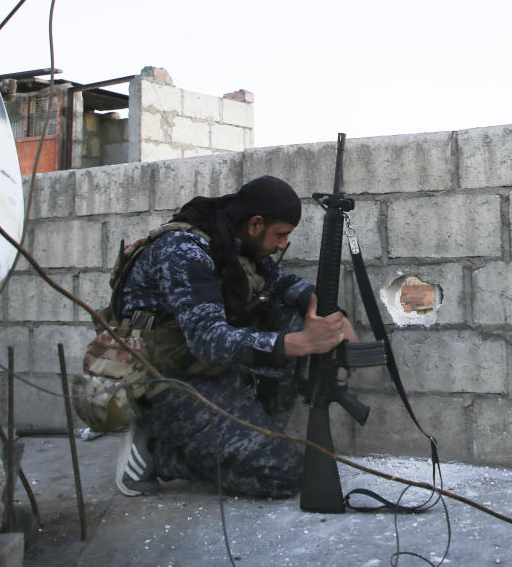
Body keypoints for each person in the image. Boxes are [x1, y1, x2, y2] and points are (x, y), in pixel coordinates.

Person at [112, 175, 355, 498]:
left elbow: (282, 283)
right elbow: (208, 339)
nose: (283, 245)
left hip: (202, 370)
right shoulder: (185, 252)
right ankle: (158, 453)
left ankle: (257, 442)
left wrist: (329, 313)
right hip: (163, 382)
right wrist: (302, 344)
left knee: (293, 316)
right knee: (285, 476)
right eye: (280, 235)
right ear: (255, 224)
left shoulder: (230, 240)